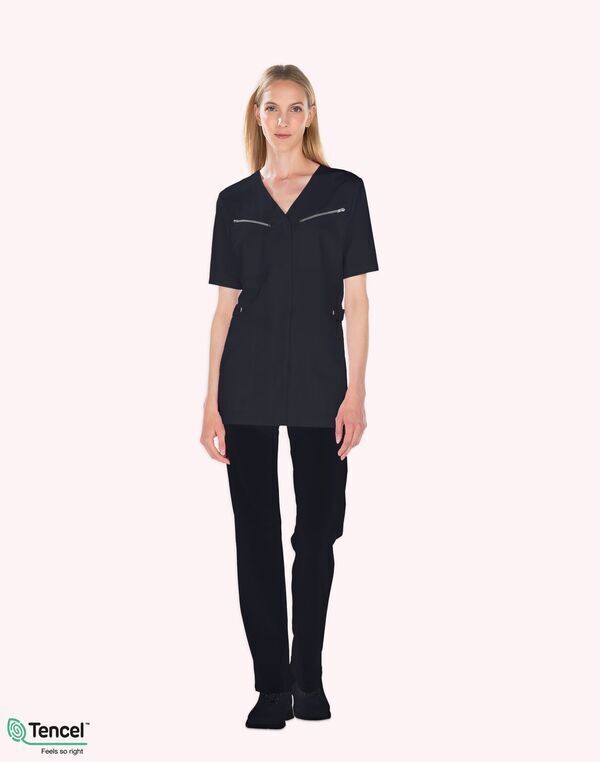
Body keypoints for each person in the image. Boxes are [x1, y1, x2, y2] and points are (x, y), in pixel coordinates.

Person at [200, 64, 379, 729]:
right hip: (245, 386)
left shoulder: (344, 192)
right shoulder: (234, 201)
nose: (283, 119)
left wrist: (356, 390)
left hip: (321, 386)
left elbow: (358, 303)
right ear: (257, 115)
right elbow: (224, 310)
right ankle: (272, 688)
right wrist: (210, 401)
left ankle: (309, 678)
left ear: (311, 114)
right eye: (271, 107)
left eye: (295, 107)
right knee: (255, 537)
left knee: (318, 532)